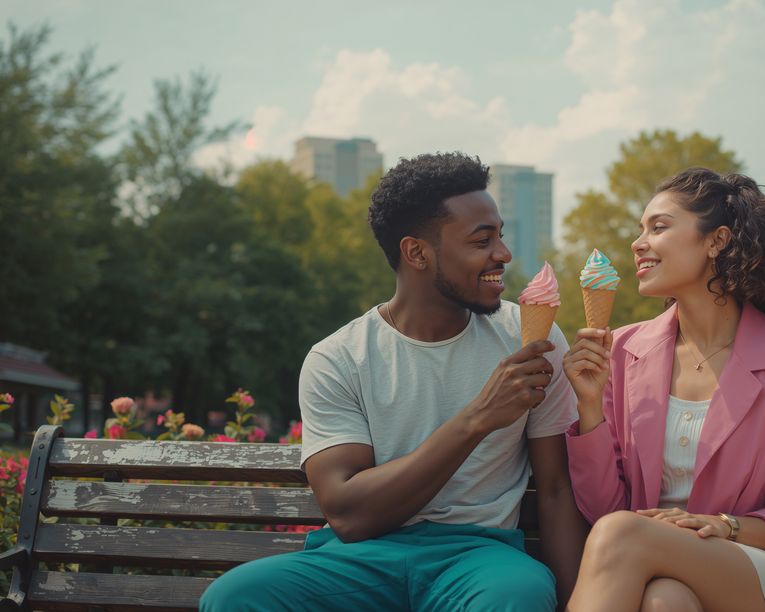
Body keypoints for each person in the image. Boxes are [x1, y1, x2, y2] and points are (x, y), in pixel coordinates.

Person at [200, 152, 587, 612]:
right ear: (417, 252)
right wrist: (477, 419)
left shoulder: (529, 338)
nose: (502, 254)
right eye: (482, 240)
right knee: (234, 597)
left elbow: (557, 489)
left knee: (516, 594)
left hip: (481, 558)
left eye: (499, 236)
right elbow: (347, 513)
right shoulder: (338, 358)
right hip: (363, 558)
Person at [562, 169, 765, 612]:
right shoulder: (622, 350)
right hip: (654, 570)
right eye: (641, 229)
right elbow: (604, 509)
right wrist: (589, 405)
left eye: (659, 227)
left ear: (717, 241)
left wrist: (720, 526)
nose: (638, 243)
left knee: (622, 533)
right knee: (664, 603)